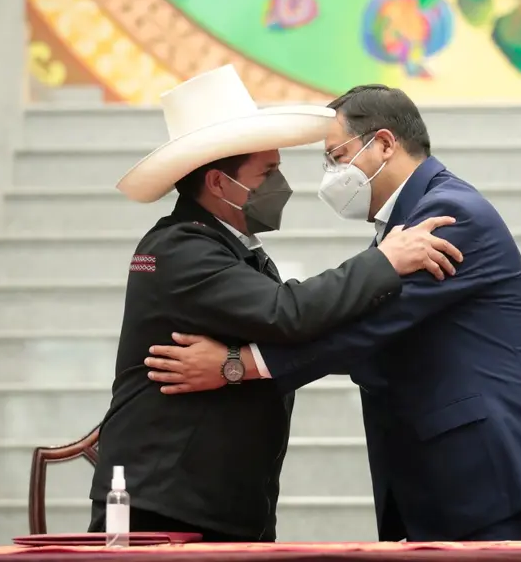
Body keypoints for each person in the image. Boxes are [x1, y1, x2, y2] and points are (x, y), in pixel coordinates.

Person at [143, 84, 521, 542]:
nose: (330, 174)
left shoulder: (448, 217)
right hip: (445, 483)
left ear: (384, 144)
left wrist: (236, 365)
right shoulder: (398, 238)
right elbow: (362, 336)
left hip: (499, 478)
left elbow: (364, 330)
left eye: (337, 155)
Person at [86, 67, 463, 543]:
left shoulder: (227, 246)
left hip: (220, 503)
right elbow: (287, 314)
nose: (281, 183)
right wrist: (384, 261)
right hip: (169, 506)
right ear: (221, 185)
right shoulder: (180, 249)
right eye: (267, 172)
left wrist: (232, 366)